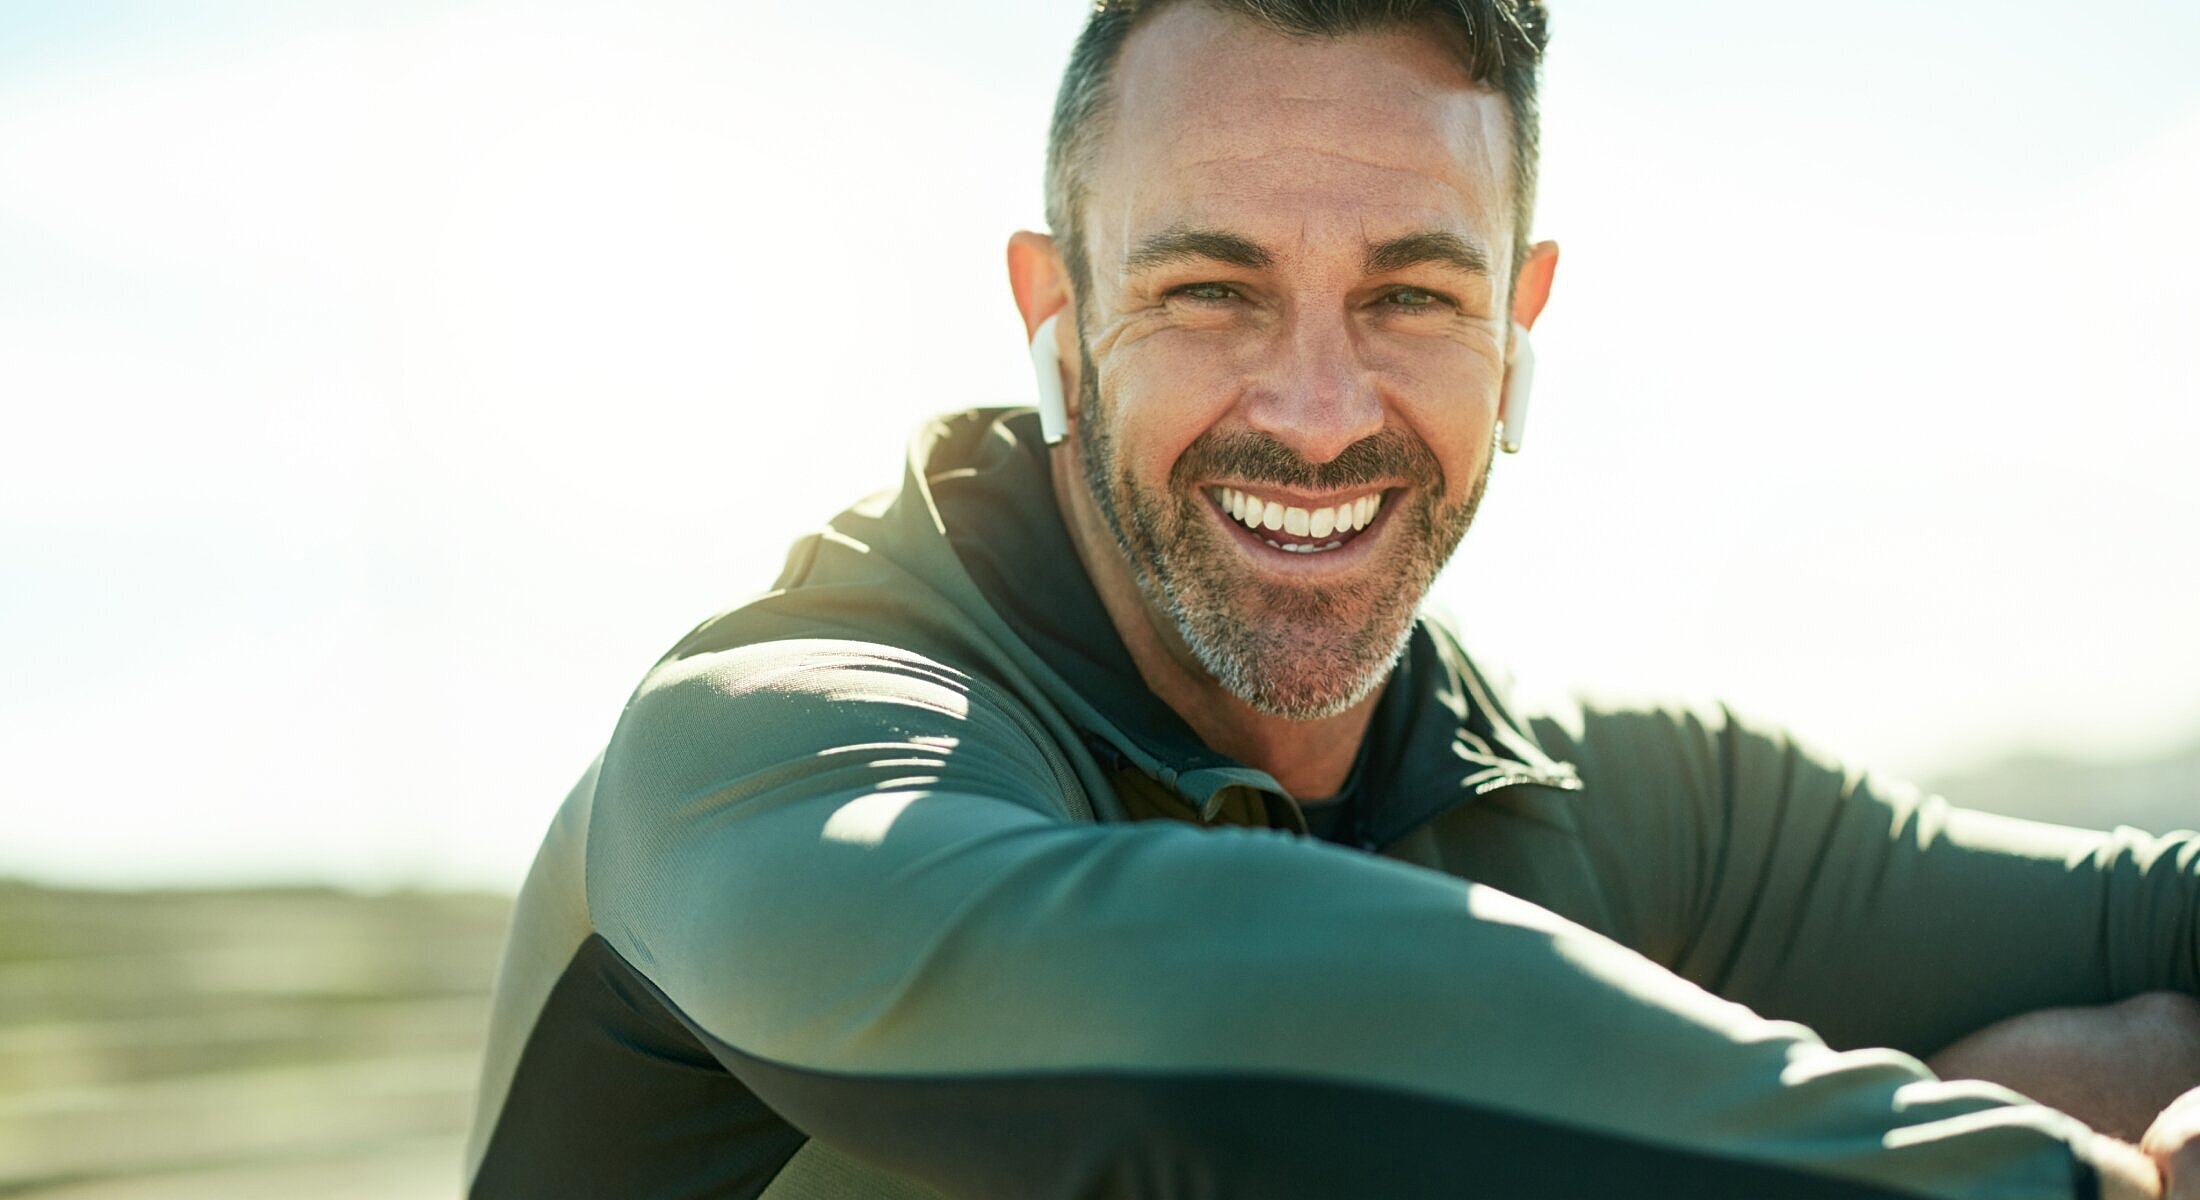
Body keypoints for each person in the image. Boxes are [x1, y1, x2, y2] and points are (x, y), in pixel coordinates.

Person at [464, 2, 2200, 1196]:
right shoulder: (765, 758)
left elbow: (2158, 915)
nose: (1316, 410)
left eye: (1413, 296)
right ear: (1055, 312)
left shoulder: (1621, 806)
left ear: (1519, 317)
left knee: (2129, 1050)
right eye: (1212, 290)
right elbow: (1182, 1028)